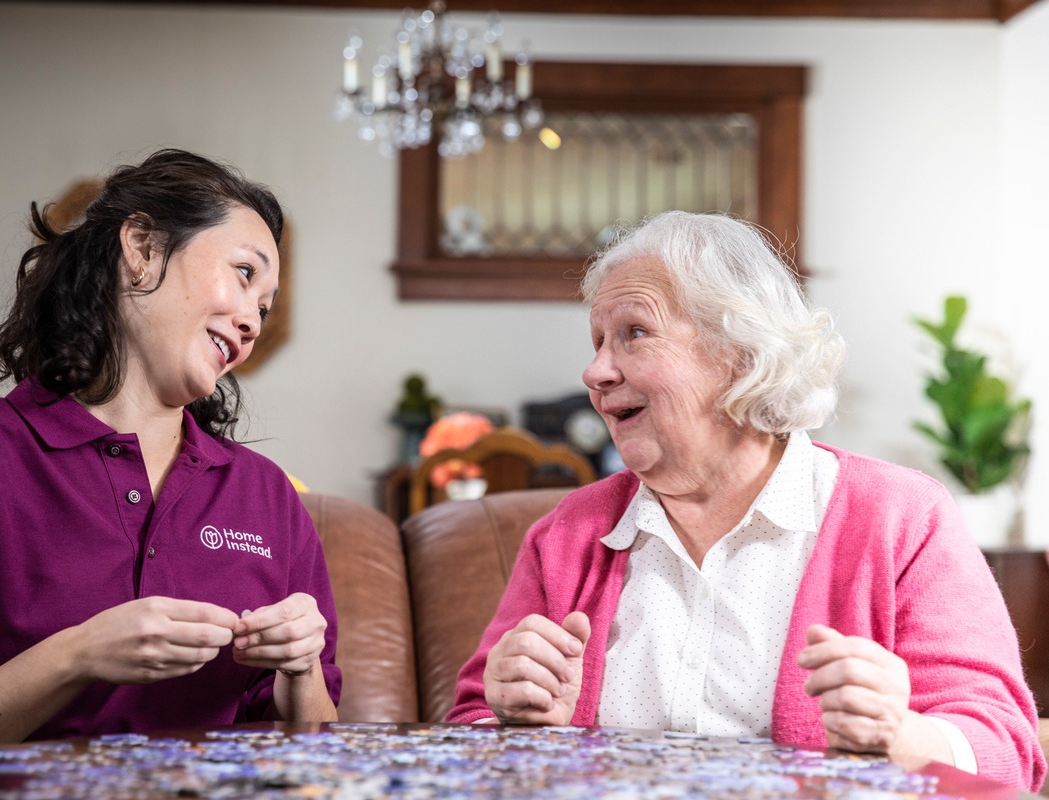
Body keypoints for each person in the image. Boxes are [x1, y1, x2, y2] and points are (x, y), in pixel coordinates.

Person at [447, 210, 1045, 791]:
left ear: (740, 353)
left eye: (634, 333)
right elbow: (462, 731)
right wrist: (511, 721)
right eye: (598, 341)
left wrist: (905, 737)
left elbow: (1009, 753)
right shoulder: (566, 536)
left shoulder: (902, 517)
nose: (595, 371)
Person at [0, 149, 340, 799]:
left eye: (267, 306)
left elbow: (321, 759)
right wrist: (73, 656)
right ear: (140, 247)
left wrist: (300, 670)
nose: (252, 321)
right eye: (243, 273)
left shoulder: (266, 495)